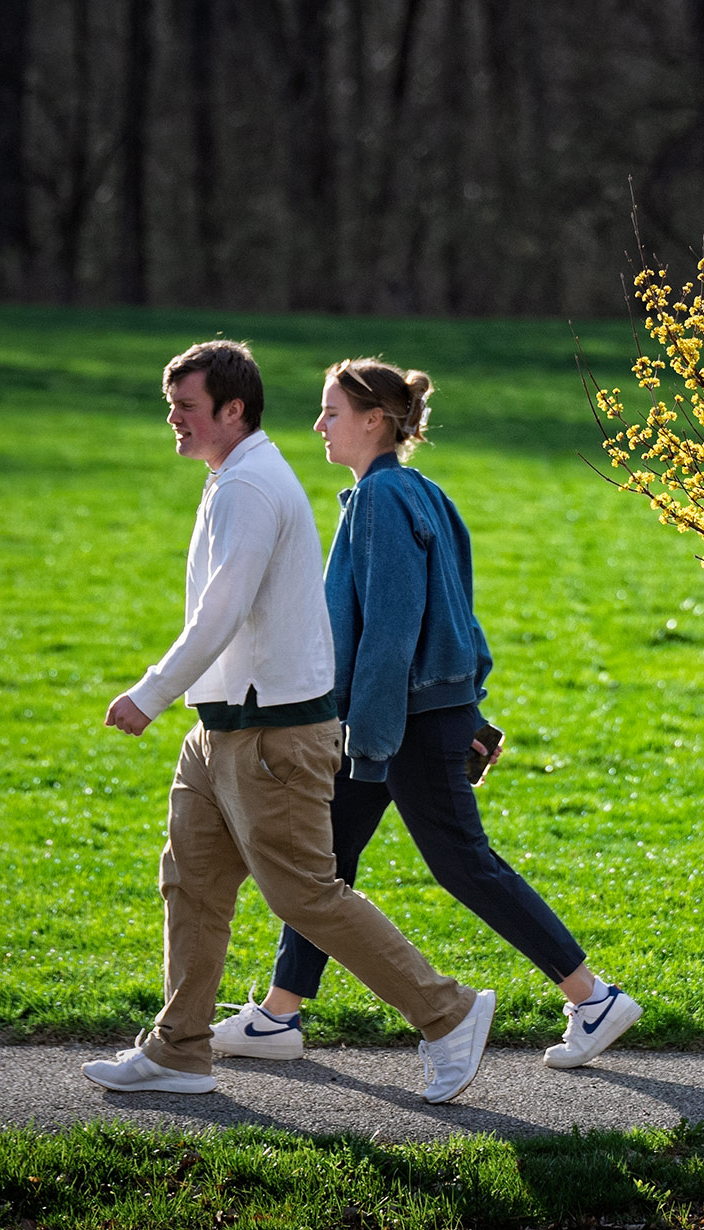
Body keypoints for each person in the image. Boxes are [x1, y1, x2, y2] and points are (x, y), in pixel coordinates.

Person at [84, 340, 496, 1102]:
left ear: (232, 410)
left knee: (307, 894)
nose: (172, 419)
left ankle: (449, 1013)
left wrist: (149, 692)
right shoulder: (231, 477)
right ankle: (179, 1049)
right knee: (193, 886)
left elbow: (222, 610)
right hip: (221, 731)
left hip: (273, 734)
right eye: (171, 405)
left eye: (187, 407)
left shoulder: (250, 487)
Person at [207, 356, 642, 1070]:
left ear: (374, 420)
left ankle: (592, 998)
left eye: (332, 413)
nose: (318, 425)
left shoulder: (383, 500)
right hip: (408, 715)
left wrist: (368, 737)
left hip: (395, 721)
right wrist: (462, 708)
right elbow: (458, 615)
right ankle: (280, 1016)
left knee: (462, 864)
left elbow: (392, 630)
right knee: (325, 864)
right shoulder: (422, 493)